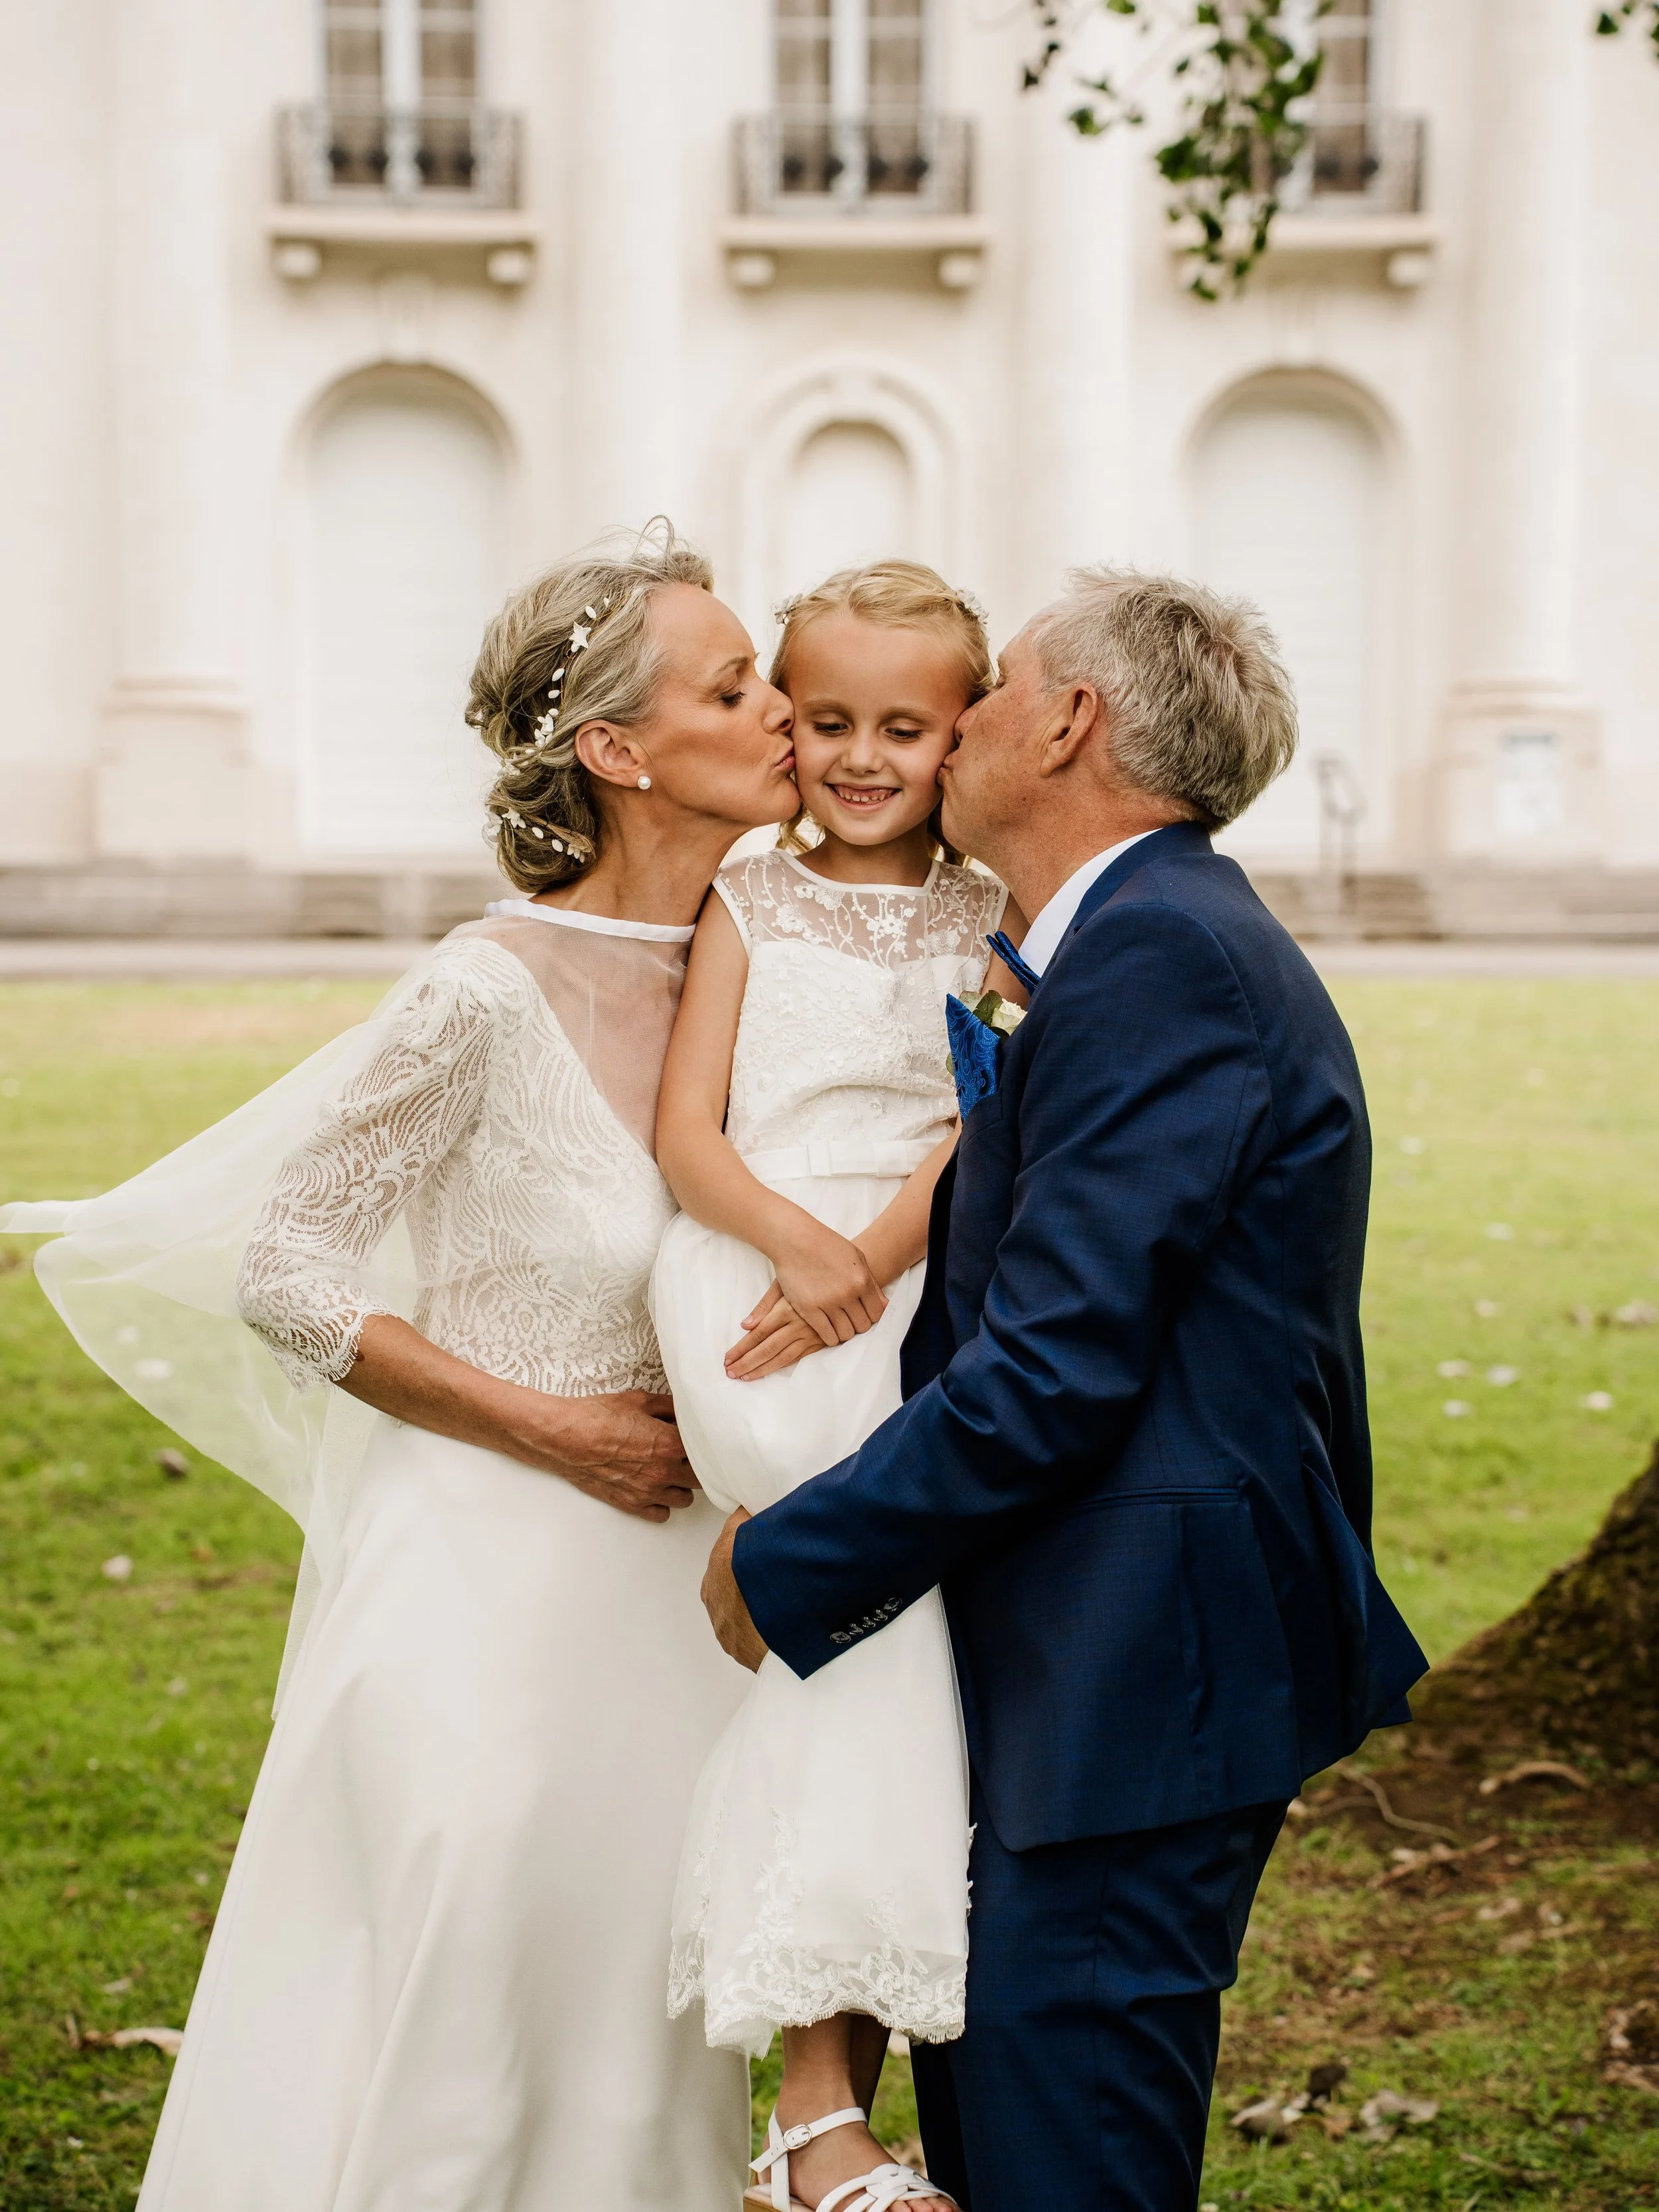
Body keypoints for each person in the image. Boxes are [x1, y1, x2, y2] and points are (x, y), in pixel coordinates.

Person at [1, 526, 800, 2212]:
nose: (785, 706)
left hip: (673, 1601)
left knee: (628, 2003)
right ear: (618, 751)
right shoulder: (481, 992)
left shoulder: (772, 971)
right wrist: (558, 1431)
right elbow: (287, 1269)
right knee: (464, 1957)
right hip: (481, 1575)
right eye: (736, 684)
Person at [701, 569, 1429, 2212]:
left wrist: (791, 1556)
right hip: (1078, 1641)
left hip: (1139, 1665)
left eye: (992, 685)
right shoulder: (1093, 938)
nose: (954, 721)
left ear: (1068, 721)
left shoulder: (1164, 952)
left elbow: (1054, 1362)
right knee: (1009, 2116)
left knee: (1067, 2148)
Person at [650, 563, 1024, 2212]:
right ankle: (818, 2121)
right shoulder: (746, 897)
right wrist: (799, 1250)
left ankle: (819, 2126)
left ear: (964, 733)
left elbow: (973, 1133)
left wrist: (871, 1255)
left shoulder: (988, 916)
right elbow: (685, 1132)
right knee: (855, 1612)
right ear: (786, 727)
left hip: (908, 1271)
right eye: (823, 720)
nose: (860, 755)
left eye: (902, 724)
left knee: (892, 1637)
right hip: (751, 1275)